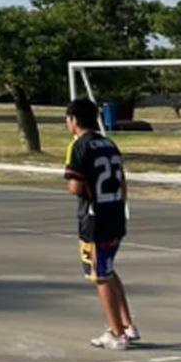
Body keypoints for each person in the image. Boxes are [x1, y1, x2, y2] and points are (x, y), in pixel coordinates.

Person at [63, 99, 138, 349]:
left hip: (95, 220)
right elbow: (123, 181)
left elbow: (75, 186)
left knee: (100, 277)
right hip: (115, 215)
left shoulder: (79, 147)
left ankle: (116, 334)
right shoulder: (109, 143)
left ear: (73, 120)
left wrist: (83, 189)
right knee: (108, 268)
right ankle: (127, 324)